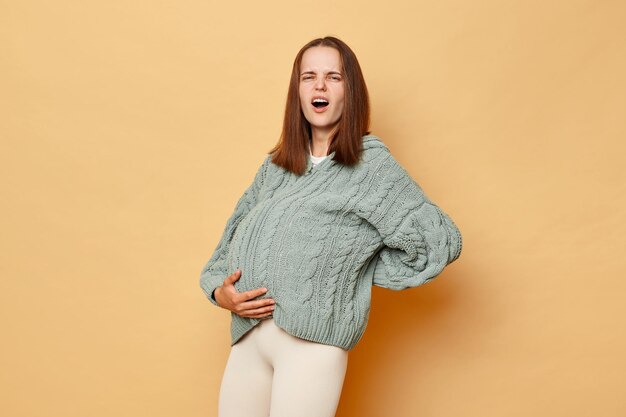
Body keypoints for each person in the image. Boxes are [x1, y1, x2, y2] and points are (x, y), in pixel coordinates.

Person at [199, 36, 463, 417]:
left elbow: (439, 242)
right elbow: (223, 251)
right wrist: (219, 292)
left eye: (333, 77)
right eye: (309, 77)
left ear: (350, 91)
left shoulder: (372, 166)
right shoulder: (275, 167)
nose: (319, 86)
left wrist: (353, 268)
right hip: (247, 341)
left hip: (311, 348)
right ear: (298, 91)